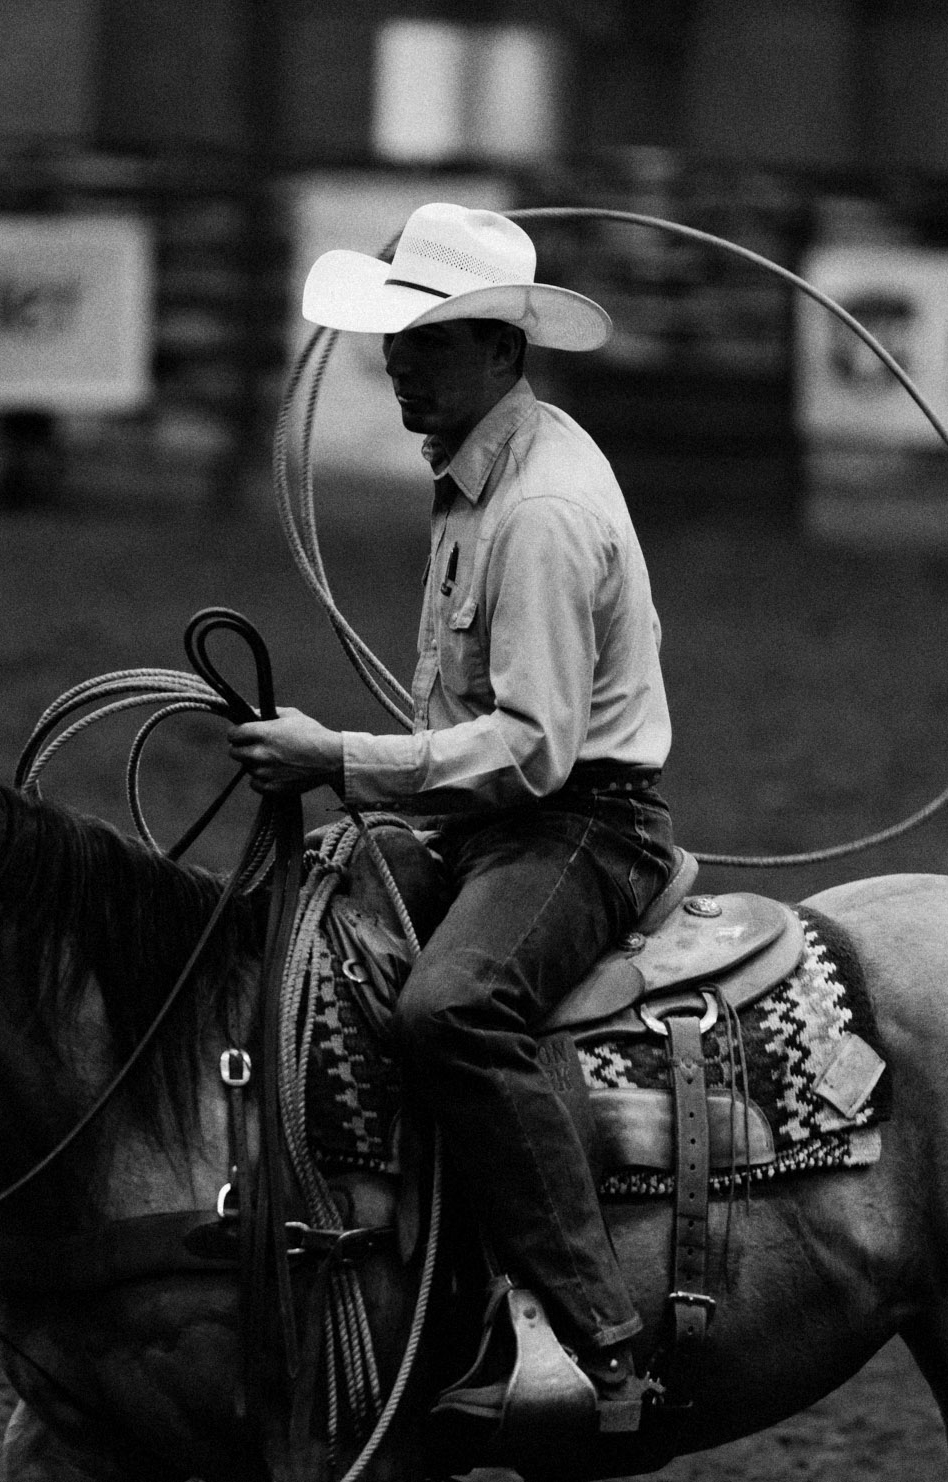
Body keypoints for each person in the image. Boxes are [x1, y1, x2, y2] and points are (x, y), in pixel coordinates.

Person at [228, 203, 675, 1433]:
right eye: (395, 342)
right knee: (305, 927)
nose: (396, 366)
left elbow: (534, 754)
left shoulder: (536, 512)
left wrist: (339, 760)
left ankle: (600, 1341)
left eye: (421, 345)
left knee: (453, 1008)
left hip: (580, 828)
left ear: (493, 347)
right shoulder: (484, 471)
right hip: (503, 820)